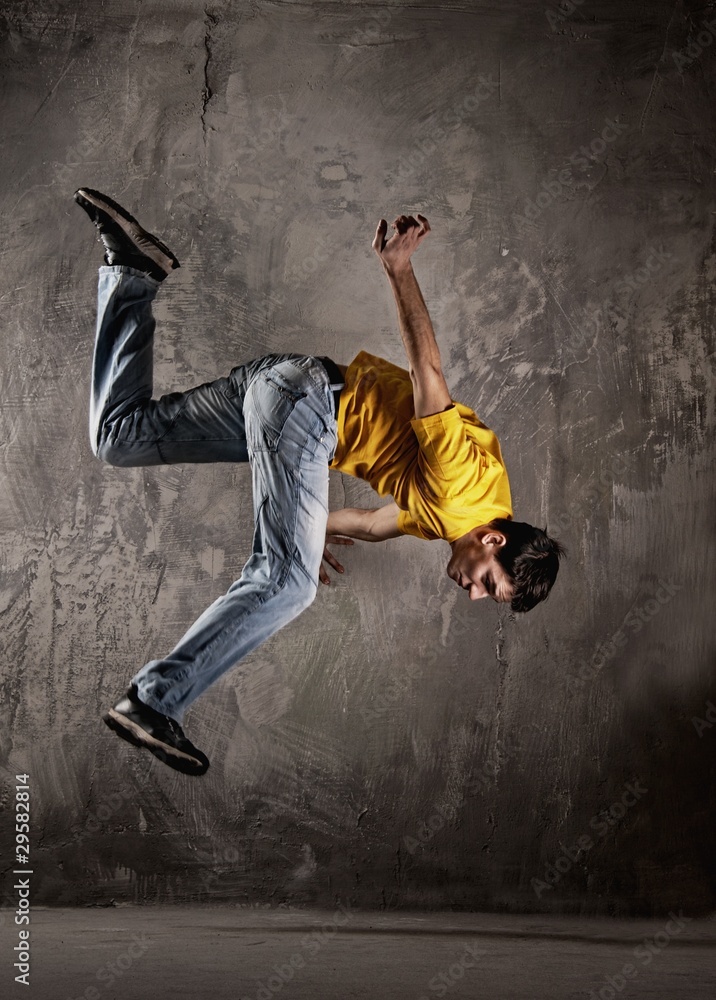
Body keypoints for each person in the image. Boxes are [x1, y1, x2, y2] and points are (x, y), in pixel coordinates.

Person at [74, 188, 564, 777]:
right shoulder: (466, 483)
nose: (474, 595)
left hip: (277, 390)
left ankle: (131, 270)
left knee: (120, 438)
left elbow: (372, 523)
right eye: (490, 584)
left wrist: (311, 528)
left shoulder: (460, 518)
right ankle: (154, 701)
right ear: (493, 542)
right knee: (288, 584)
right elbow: (428, 373)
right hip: (306, 409)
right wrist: (399, 270)